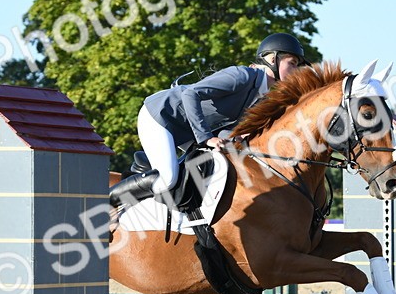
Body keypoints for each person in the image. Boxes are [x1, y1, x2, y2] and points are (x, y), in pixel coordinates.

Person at [108, 33, 310, 207]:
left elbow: (225, 130)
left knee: (210, 172)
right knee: (168, 179)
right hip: (160, 116)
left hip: (187, 129)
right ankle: (109, 202)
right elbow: (190, 95)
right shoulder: (242, 76)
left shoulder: (263, 97)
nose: (296, 70)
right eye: (292, 63)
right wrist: (206, 138)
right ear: (273, 59)